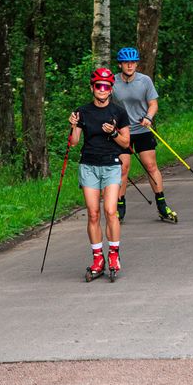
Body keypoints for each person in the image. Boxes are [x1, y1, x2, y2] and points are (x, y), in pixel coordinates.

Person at [66, 67, 133, 279]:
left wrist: (113, 132)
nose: (102, 90)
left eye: (106, 86)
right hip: (88, 166)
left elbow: (126, 142)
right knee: (93, 213)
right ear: (92, 88)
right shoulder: (83, 111)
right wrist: (74, 125)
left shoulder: (118, 112)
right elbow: (74, 142)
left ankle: (113, 254)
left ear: (111, 89)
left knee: (110, 211)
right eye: (98, 86)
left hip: (111, 164)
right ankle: (98, 258)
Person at [112, 47, 177, 223]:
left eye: (133, 62)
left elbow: (153, 104)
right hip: (122, 132)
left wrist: (149, 117)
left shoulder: (144, 80)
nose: (130, 65)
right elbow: (104, 102)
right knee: (123, 168)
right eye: (126, 62)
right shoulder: (112, 82)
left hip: (142, 129)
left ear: (136, 63)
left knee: (150, 166)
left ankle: (162, 205)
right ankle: (120, 207)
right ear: (120, 64)